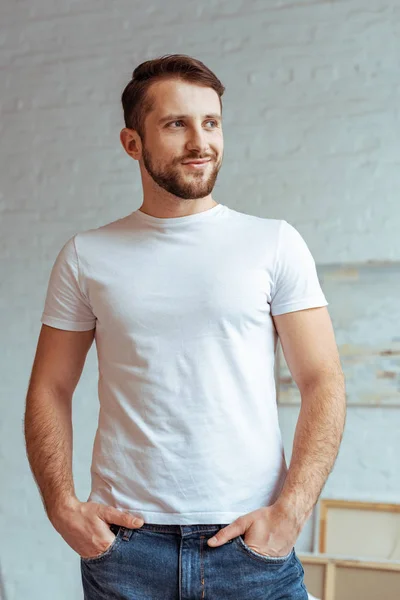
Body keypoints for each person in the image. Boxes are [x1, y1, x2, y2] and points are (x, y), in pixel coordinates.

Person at [24, 54, 346, 599]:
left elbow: (324, 381)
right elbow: (50, 388)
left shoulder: (274, 243)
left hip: (251, 543)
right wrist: (62, 506)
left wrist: (291, 512)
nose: (201, 141)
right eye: (177, 124)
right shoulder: (86, 255)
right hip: (128, 550)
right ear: (132, 143)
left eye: (211, 122)